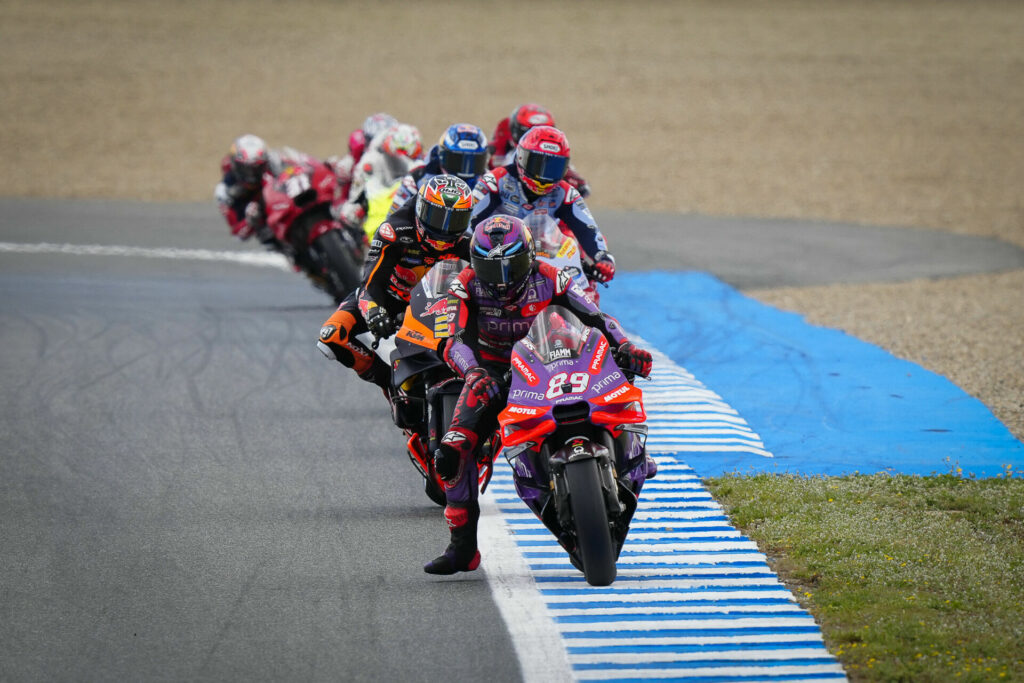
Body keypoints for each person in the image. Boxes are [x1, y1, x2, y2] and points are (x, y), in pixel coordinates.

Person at [423, 215, 653, 575]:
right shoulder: (463, 285)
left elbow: (595, 317)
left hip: (555, 358)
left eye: (509, 265)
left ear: (527, 255)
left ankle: (633, 457)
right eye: (489, 267)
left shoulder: (551, 275)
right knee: (450, 452)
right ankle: (462, 547)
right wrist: (473, 372)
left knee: (622, 378)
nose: (500, 279)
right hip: (492, 374)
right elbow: (452, 339)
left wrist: (624, 345)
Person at [317, 175, 474, 392]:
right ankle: (389, 383)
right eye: (437, 217)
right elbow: (369, 285)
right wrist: (374, 312)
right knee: (332, 335)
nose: (444, 230)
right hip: (392, 300)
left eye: (454, 221)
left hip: (441, 306)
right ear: (421, 208)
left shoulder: (469, 242)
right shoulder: (394, 231)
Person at [470, 125, 616, 296]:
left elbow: (588, 229)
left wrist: (603, 258)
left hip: (542, 256)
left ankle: (586, 320)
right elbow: (469, 219)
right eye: (537, 164)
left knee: (588, 286)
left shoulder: (565, 193)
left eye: (553, 167)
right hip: (496, 258)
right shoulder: (495, 181)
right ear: (522, 157)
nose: (544, 176)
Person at [334, 123, 424, 243]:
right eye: (397, 155)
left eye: (407, 155)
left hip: (420, 240)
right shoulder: (370, 171)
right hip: (380, 240)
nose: (401, 161)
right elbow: (350, 209)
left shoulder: (426, 174)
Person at [488, 103, 590, 196]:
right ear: (516, 131)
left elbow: (581, 185)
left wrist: (576, 184)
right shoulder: (502, 147)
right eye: (529, 131)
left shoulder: (559, 156)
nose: (539, 137)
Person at [387, 123, 489, 216]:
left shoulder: (491, 183)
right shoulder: (416, 179)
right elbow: (393, 218)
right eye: (458, 160)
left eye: (474, 161)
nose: (466, 171)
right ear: (442, 155)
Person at [214, 134, 282, 250]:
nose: (251, 175)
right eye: (246, 169)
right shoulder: (225, 191)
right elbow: (238, 234)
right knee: (269, 240)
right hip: (268, 222)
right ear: (235, 165)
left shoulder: (274, 164)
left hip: (282, 199)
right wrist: (250, 220)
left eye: (257, 168)